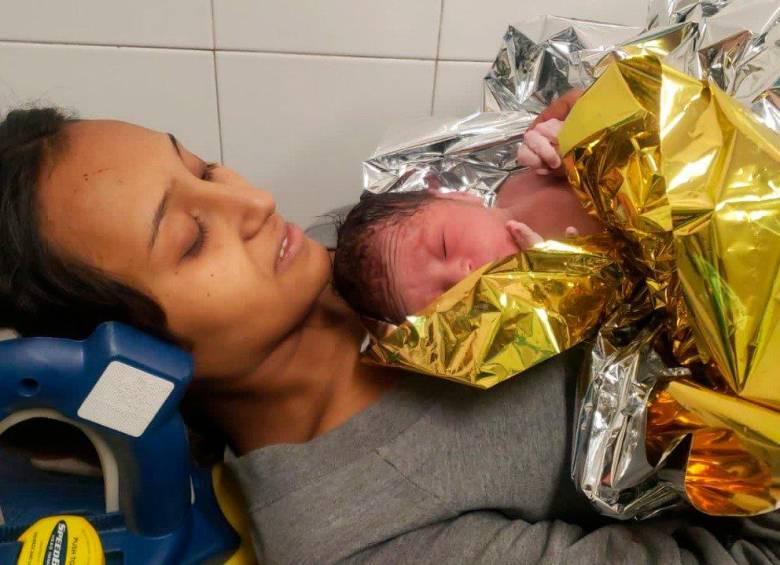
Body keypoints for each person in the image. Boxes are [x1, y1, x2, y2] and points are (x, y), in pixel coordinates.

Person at [1, 100, 778, 565]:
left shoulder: (341, 261)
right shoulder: (362, 534)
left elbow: (530, 176)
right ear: (131, 360)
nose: (250, 200)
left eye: (204, 169)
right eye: (190, 239)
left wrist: (576, 132)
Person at [332, 121, 604, 322]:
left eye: (445, 247)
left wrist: (565, 137)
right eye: (449, 301)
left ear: (460, 196)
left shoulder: (526, 172)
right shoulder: (545, 301)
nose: (463, 277)